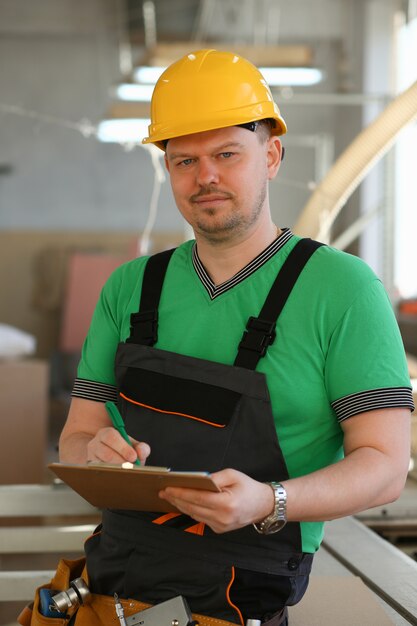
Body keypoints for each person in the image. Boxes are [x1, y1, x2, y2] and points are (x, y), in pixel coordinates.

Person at [59, 49, 414, 626]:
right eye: (184, 161)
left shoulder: (342, 289)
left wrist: (270, 500)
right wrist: (94, 455)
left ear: (271, 154)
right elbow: (78, 435)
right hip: (113, 587)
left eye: (227, 153)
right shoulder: (130, 287)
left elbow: (384, 466)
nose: (206, 177)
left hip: (241, 597)